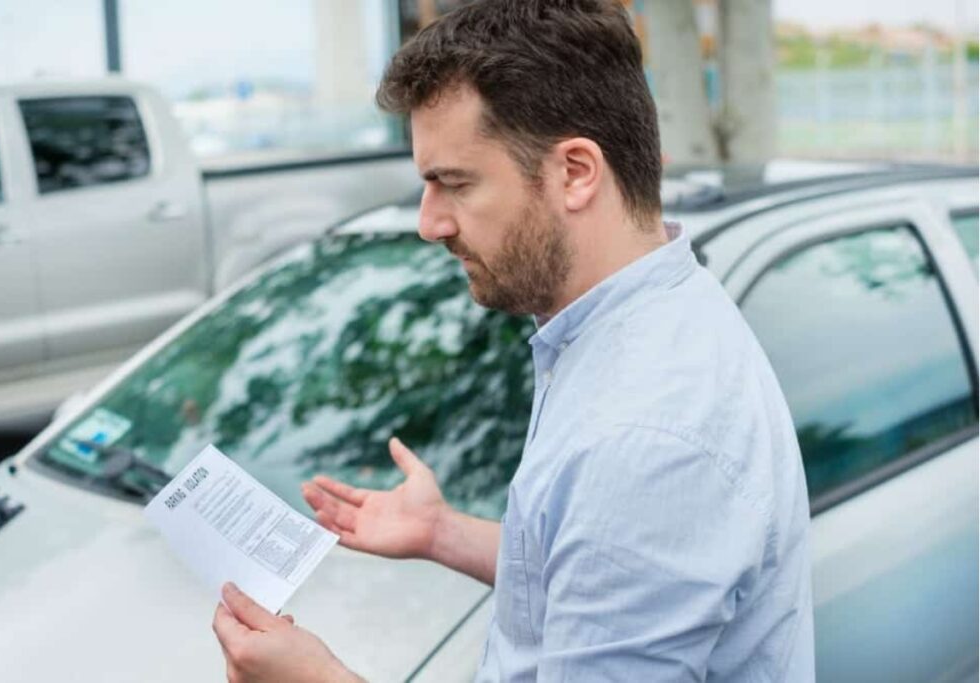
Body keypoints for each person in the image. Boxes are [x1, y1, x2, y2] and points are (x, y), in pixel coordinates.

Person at [211, 1, 815, 681]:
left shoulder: (645, 436)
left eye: (454, 183)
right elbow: (592, 576)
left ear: (576, 172)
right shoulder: (636, 318)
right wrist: (444, 532)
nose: (429, 222)